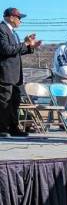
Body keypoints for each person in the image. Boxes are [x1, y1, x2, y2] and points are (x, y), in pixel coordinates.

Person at [0, 8, 42, 137]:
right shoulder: (2, 29)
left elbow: (16, 51)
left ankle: (13, 127)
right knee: (4, 101)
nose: (20, 21)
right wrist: (25, 44)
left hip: (16, 75)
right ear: (11, 17)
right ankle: (2, 128)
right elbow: (6, 50)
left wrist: (30, 47)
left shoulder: (13, 32)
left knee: (15, 102)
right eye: (19, 18)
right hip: (5, 73)